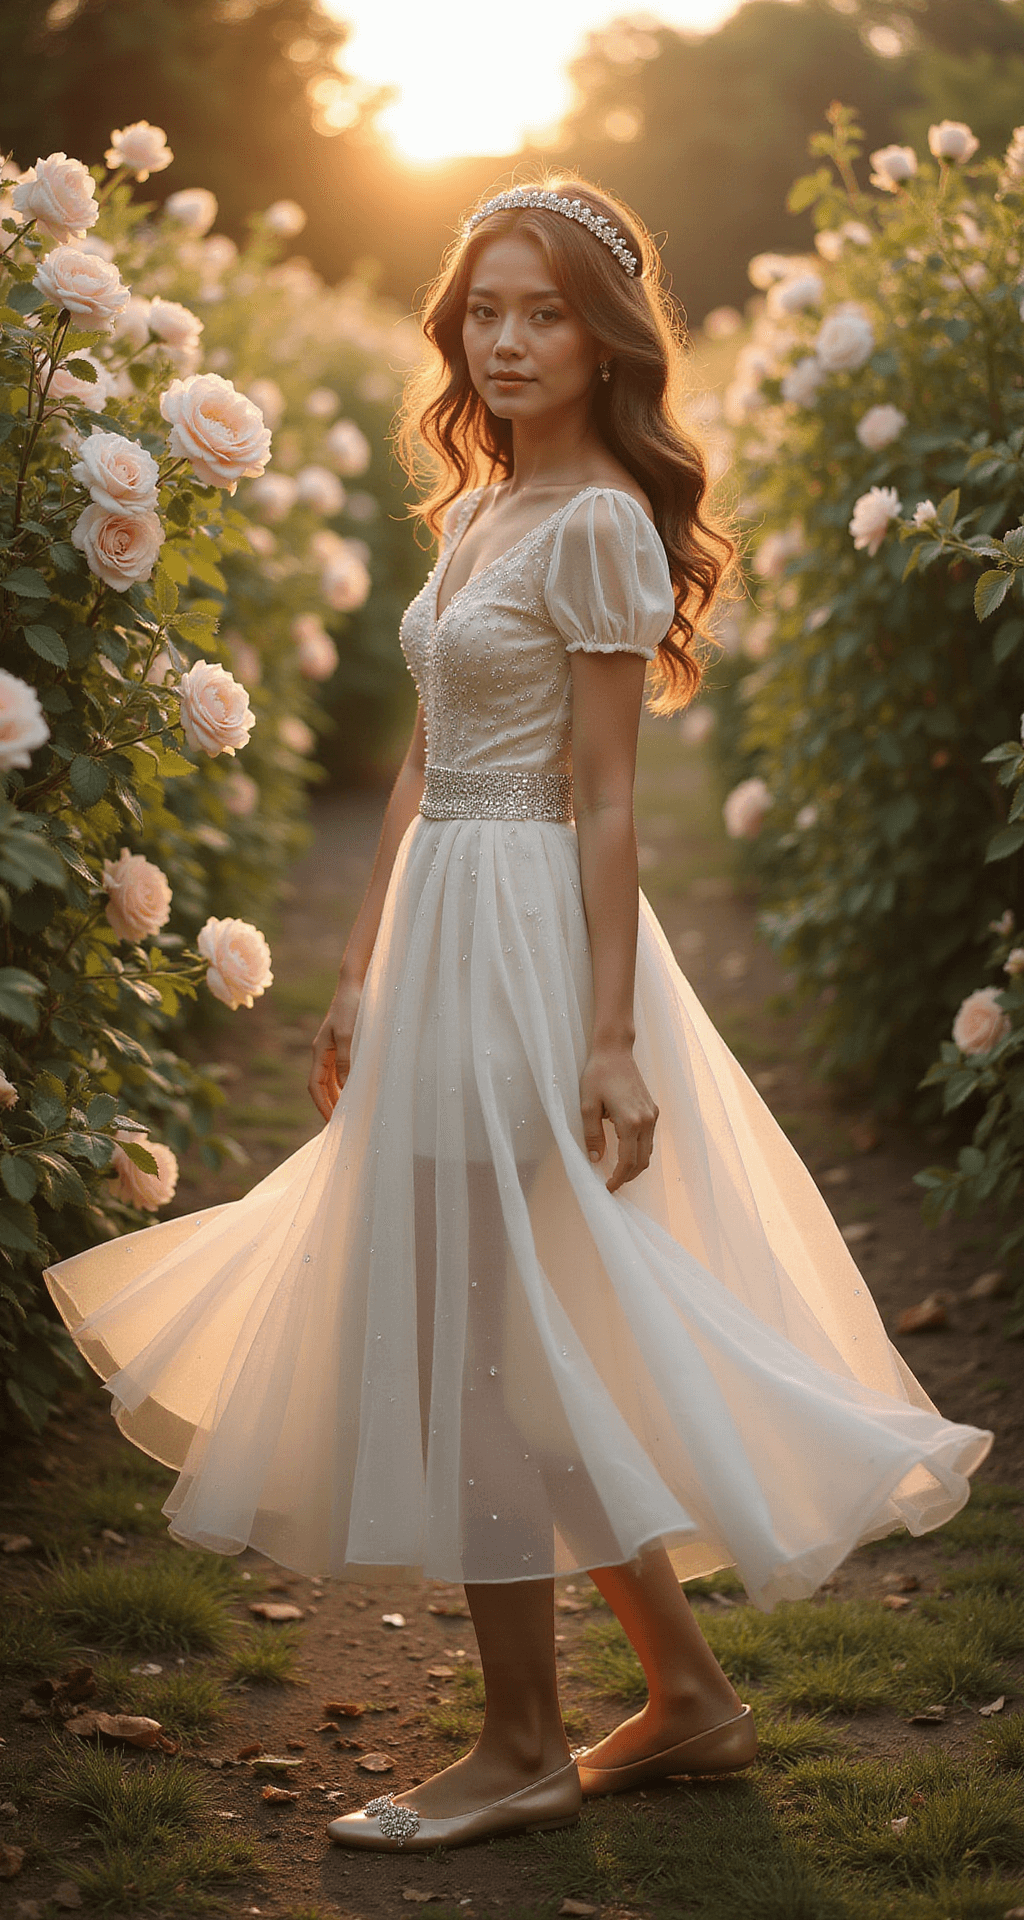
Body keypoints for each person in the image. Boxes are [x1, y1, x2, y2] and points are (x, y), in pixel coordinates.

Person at [44, 177, 993, 1858]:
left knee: (480, 1337)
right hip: (434, 932)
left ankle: (522, 1745)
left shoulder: (603, 523)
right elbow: (424, 753)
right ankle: (686, 1700)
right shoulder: (476, 508)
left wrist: (611, 1039)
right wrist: (350, 964)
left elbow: (613, 805)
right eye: (485, 307)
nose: (507, 337)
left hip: (535, 935)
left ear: (606, 332)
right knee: (496, 1330)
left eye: (544, 309)